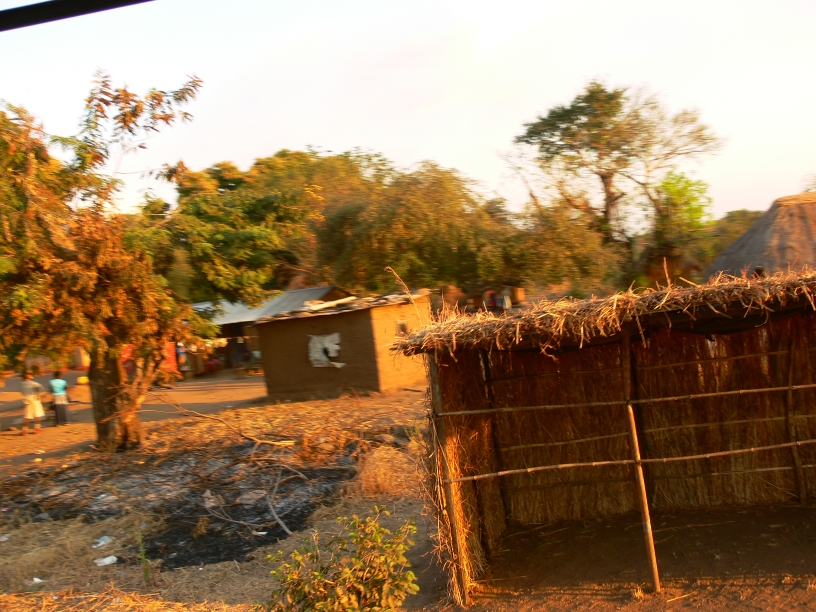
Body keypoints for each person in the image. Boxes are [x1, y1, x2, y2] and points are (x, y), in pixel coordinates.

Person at [19, 371, 45, 435]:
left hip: (28, 401)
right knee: (38, 415)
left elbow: (23, 393)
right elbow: (42, 388)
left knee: (27, 416)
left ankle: (24, 430)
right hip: (35, 400)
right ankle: (37, 429)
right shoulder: (34, 383)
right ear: (30, 376)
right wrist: (38, 394)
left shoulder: (21, 384)